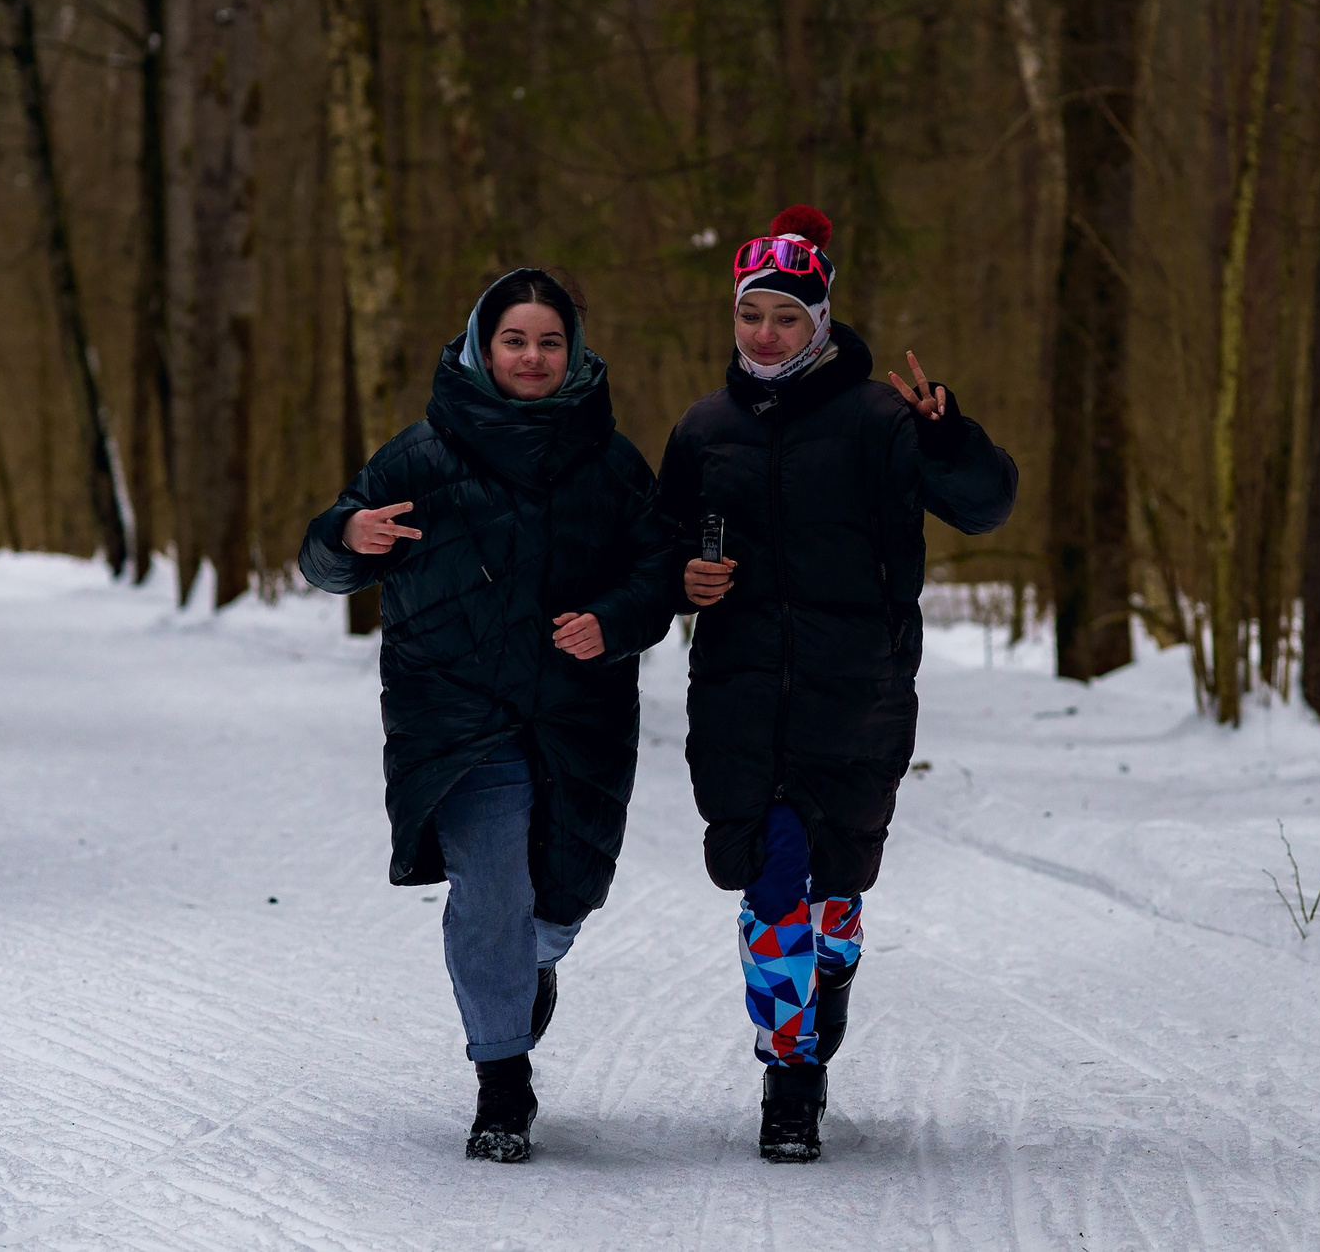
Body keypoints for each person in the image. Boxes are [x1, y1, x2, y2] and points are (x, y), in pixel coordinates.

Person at [655, 206, 1019, 1161]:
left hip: (856, 697)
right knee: (773, 882)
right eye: (751, 316)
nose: (766, 334)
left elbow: (985, 505)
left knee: (834, 896)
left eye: (786, 315)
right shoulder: (702, 428)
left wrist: (947, 436)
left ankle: (831, 979)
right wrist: (679, 578)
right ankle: (790, 1078)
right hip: (739, 698)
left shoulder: (883, 419)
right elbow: (658, 548)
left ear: (820, 319)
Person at [299, 269, 673, 1164]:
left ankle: (530, 962)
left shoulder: (615, 464)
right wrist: (347, 539)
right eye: (515, 341)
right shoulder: (418, 457)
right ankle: (502, 1079)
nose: (532, 357)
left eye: (549, 342)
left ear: (572, 350)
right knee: (490, 885)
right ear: (482, 346)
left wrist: (614, 621)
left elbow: (656, 577)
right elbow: (327, 553)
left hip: (578, 714)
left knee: (562, 897)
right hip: (457, 715)